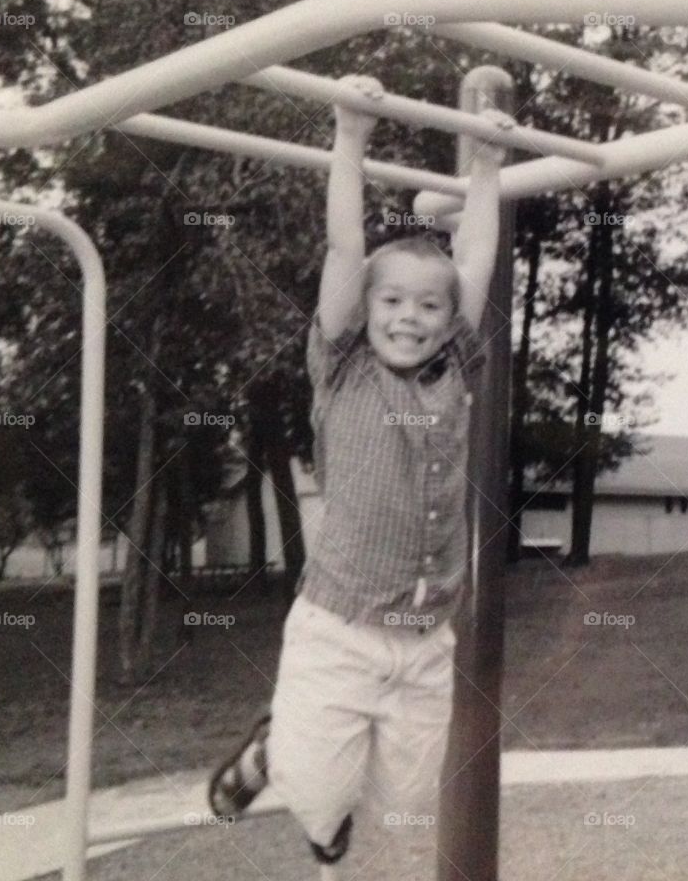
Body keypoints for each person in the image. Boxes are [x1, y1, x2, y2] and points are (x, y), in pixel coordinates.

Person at [210, 74, 507, 880]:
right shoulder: (342, 368)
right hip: (340, 625)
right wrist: (349, 138)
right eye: (394, 303)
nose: (410, 318)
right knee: (318, 789)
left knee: (404, 798)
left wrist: (485, 170)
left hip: (424, 632)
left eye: (428, 308)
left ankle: (306, 762)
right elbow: (347, 248)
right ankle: (283, 751)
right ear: (367, 309)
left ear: (450, 324)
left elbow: (474, 256)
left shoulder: (457, 370)